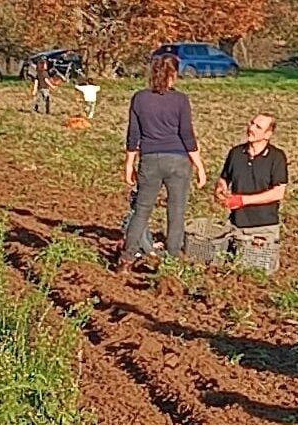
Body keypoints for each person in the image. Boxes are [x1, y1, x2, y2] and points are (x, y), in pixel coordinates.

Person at [120, 55, 202, 265]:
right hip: (178, 160)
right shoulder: (180, 100)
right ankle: (172, 259)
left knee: (142, 210)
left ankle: (127, 258)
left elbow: (133, 134)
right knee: (176, 211)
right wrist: (199, 165)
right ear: (173, 75)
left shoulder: (139, 98)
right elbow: (187, 134)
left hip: (150, 160)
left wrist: (129, 163)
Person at [217, 112, 289, 273]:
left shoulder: (276, 158)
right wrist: (220, 190)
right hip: (235, 226)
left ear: (268, 134)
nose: (251, 128)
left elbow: (278, 193)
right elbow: (224, 179)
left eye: (258, 127)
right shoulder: (235, 153)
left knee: (257, 275)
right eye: (251, 123)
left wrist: (243, 200)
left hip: (263, 229)